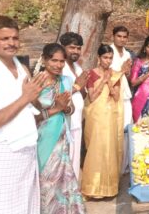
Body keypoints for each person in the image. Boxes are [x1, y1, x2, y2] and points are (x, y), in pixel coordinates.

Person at [0, 16, 45, 213]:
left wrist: (35, 96)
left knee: (25, 207)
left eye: (15, 38)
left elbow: (31, 108)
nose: (11, 43)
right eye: (4, 39)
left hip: (26, 150)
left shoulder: (20, 67)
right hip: (0, 152)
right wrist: (26, 97)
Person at [35, 43, 85, 213]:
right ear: (44, 59)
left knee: (63, 181)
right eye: (53, 60)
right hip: (43, 140)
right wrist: (56, 108)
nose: (58, 65)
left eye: (61, 61)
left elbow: (70, 109)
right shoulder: (36, 83)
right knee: (47, 181)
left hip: (63, 138)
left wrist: (65, 107)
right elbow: (32, 118)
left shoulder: (66, 80)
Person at [82, 44, 123, 199]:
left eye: (110, 58)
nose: (108, 61)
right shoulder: (91, 74)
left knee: (109, 149)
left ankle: (109, 188)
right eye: (105, 57)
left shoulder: (115, 75)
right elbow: (92, 97)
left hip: (110, 116)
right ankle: (92, 188)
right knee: (95, 149)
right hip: (96, 116)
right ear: (99, 58)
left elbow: (117, 97)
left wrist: (109, 82)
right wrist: (102, 81)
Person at [59, 32, 90, 180]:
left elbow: (81, 94)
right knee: (65, 161)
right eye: (72, 48)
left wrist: (81, 87)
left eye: (78, 48)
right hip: (64, 122)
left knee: (75, 159)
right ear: (63, 47)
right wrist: (77, 86)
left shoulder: (77, 67)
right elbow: (56, 94)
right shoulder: (59, 67)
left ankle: (72, 195)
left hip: (77, 121)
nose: (75, 51)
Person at [110, 26, 133, 175]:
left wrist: (127, 72)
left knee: (127, 130)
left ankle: (124, 165)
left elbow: (128, 76)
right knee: (114, 130)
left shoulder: (127, 54)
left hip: (125, 94)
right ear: (113, 36)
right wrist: (122, 70)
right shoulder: (108, 52)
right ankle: (113, 164)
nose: (122, 39)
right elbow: (106, 74)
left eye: (125, 37)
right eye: (119, 36)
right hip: (112, 95)